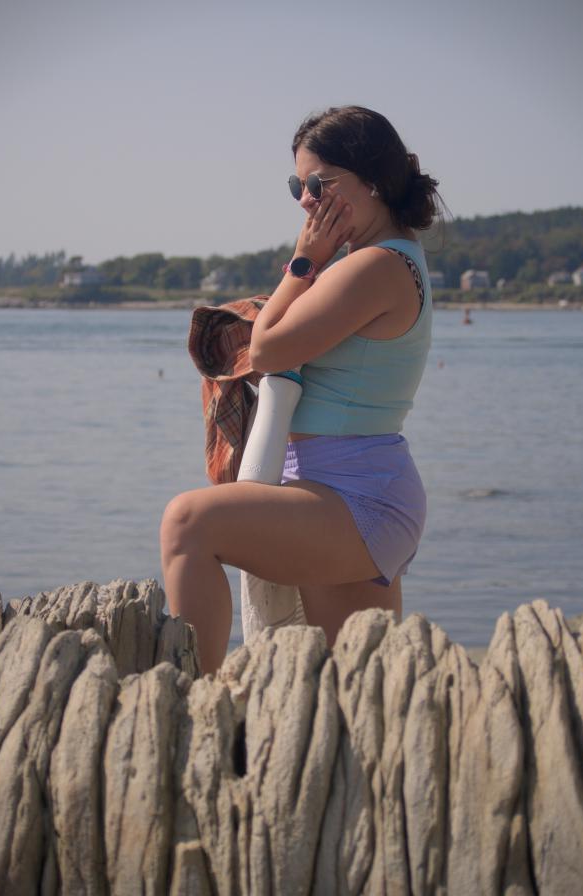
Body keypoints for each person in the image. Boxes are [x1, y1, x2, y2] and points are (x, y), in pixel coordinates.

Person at [160, 105, 441, 675]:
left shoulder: (377, 268)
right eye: (298, 185)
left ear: (372, 182)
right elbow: (275, 338)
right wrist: (313, 265)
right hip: (345, 490)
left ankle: (193, 702)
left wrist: (304, 261)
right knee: (355, 687)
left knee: (189, 522)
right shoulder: (374, 261)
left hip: (354, 496)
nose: (306, 199)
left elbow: (265, 351)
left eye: (319, 183)